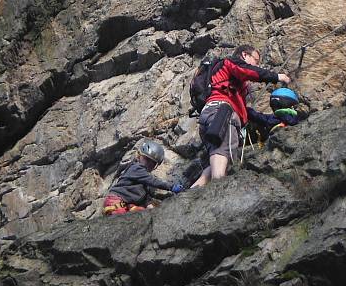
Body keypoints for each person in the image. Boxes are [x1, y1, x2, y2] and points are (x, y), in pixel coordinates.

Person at [191, 45, 290, 187]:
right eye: (256, 60)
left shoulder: (230, 85)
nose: (257, 64)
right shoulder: (229, 62)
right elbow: (249, 71)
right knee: (222, 153)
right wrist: (277, 76)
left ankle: (191, 193)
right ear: (244, 55)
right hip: (222, 114)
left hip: (211, 116)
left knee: (216, 160)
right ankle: (218, 190)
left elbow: (246, 112)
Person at [103, 140, 183, 216]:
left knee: (143, 214)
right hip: (115, 202)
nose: (149, 164)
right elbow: (154, 181)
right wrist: (171, 187)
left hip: (126, 204)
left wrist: (152, 209)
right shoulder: (136, 168)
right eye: (147, 159)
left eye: (152, 163)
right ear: (139, 156)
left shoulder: (143, 180)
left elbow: (145, 197)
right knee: (121, 224)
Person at [246, 87, 310, 144]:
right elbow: (257, 116)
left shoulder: (272, 118)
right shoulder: (296, 117)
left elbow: (257, 116)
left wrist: (245, 109)